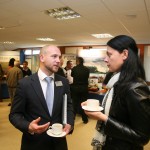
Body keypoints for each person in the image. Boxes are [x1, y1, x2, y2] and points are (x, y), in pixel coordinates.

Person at [82, 35, 150, 150]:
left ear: (125, 54)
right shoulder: (117, 82)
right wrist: (98, 109)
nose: (105, 59)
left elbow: (142, 137)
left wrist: (104, 118)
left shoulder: (135, 88)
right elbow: (120, 113)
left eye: (109, 54)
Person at [9, 45, 74, 150]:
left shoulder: (63, 82)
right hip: (34, 143)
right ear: (42, 58)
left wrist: (70, 123)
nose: (58, 60)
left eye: (59, 57)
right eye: (54, 56)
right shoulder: (25, 84)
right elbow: (14, 115)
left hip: (59, 143)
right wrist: (29, 126)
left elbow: (69, 106)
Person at [71, 57, 90, 124]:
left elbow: (72, 75)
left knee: (74, 104)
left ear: (78, 61)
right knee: (84, 104)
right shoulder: (87, 69)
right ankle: (85, 119)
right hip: (84, 88)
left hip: (75, 88)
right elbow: (87, 77)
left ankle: (72, 120)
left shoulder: (74, 69)